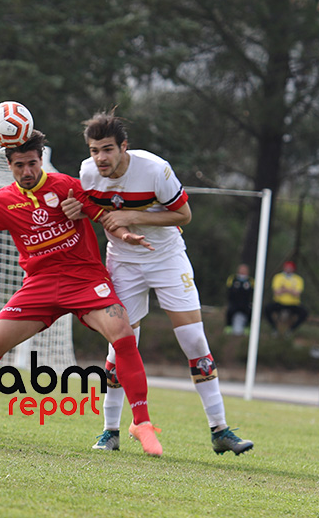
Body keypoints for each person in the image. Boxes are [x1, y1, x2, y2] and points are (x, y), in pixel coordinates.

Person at [0, 130, 164, 456]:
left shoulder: (66, 185)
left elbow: (102, 215)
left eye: (33, 163)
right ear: (10, 166)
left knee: (122, 334)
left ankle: (141, 422)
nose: (28, 171)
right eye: (20, 165)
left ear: (42, 161)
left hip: (84, 279)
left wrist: (123, 232)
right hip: (40, 285)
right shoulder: (3, 201)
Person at [63, 111, 253, 456]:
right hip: (123, 262)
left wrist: (134, 215)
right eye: (94, 150)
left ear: (124, 147)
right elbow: (92, 210)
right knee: (120, 342)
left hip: (166, 257)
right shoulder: (87, 172)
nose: (100, 158)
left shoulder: (154, 170)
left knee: (194, 339)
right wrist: (78, 210)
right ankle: (110, 431)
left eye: (107, 149)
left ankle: (220, 429)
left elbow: (184, 216)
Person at [264, 260, 308, 335]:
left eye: (290, 268)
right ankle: (274, 329)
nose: (288, 269)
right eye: (286, 267)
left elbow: (297, 294)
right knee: (267, 309)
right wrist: (291, 290)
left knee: (304, 313)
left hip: (293, 304)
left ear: (293, 269)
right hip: (279, 303)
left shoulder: (298, 279)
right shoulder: (278, 277)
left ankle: (291, 330)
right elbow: (276, 292)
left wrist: (284, 289)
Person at [225, 263, 254, 335]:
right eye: (241, 269)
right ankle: (229, 326)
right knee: (230, 310)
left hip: (245, 303)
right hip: (234, 302)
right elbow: (229, 290)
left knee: (250, 311)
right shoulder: (232, 278)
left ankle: (247, 327)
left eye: (245, 270)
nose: (243, 271)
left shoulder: (250, 280)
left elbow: (252, 291)